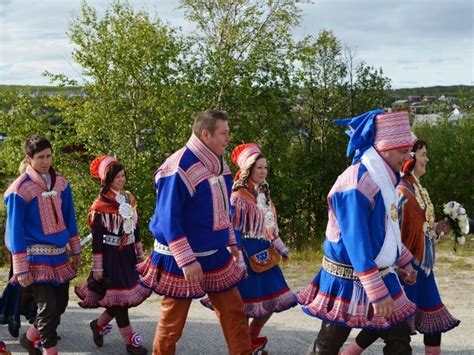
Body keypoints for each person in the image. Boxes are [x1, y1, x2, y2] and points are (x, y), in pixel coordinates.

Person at [297, 110, 418, 355]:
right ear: (384, 148)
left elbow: (387, 229)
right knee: (328, 345)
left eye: (409, 151)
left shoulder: (385, 178)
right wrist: (376, 291)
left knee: (399, 338)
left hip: (378, 272)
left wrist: (404, 260)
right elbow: (356, 243)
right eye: (403, 151)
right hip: (347, 277)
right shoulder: (356, 183)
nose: (408, 158)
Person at [137, 110, 253, 354]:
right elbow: (169, 219)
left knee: (234, 311)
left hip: (213, 252)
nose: (228, 138)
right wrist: (187, 261)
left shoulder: (219, 163)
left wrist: (230, 241)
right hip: (180, 257)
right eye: (224, 133)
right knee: (172, 324)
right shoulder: (177, 167)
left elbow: (223, 206)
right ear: (205, 134)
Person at [344, 140, 460, 355]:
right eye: (423, 154)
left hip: (423, 268)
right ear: (412, 158)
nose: (427, 159)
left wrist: (439, 228)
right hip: (408, 269)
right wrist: (400, 263)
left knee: (431, 315)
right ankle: (348, 353)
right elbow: (393, 231)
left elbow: (420, 228)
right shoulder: (402, 190)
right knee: (389, 320)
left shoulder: (416, 188)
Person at [201, 143, 297, 351]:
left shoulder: (263, 193)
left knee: (272, 302)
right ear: (248, 170)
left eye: (265, 167)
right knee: (244, 307)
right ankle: (242, 347)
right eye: (259, 167)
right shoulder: (237, 196)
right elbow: (232, 229)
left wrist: (281, 247)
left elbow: (269, 227)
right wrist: (238, 259)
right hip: (245, 253)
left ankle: (250, 340)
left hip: (265, 253)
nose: (263, 171)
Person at [4, 135, 81, 355]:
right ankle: (50, 351)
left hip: (59, 255)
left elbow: (70, 219)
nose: (46, 161)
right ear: (29, 159)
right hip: (34, 256)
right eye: (40, 157)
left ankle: (29, 338)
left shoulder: (62, 183)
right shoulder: (18, 190)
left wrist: (75, 250)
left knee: (60, 305)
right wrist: (20, 268)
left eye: (49, 156)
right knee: (47, 310)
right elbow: (15, 230)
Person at [75, 156, 151, 354]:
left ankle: (98, 325)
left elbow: (136, 228)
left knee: (119, 299)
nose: (122, 180)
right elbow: (97, 241)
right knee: (119, 300)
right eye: (117, 177)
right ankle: (130, 343)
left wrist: (140, 255)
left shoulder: (129, 198)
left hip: (126, 254)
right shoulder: (99, 206)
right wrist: (97, 268)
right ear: (107, 179)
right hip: (110, 256)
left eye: (123, 176)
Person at [0, 161, 37, 339]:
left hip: (37, 250)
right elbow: (13, 228)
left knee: (38, 289)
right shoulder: (16, 193)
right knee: (17, 289)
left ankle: (39, 322)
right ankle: (12, 318)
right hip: (20, 250)